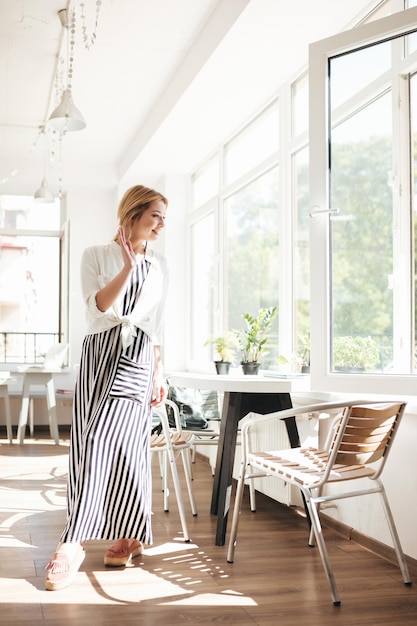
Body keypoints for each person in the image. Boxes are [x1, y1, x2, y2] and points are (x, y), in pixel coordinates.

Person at [45, 184, 169, 591]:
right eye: (155, 215)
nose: (161, 224)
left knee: (119, 443)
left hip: (137, 358)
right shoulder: (95, 255)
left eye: (164, 217)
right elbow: (97, 307)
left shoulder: (160, 267)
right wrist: (128, 267)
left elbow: (154, 326)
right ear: (132, 214)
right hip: (99, 355)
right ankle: (125, 538)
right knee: (87, 443)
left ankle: (74, 541)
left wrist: (158, 373)